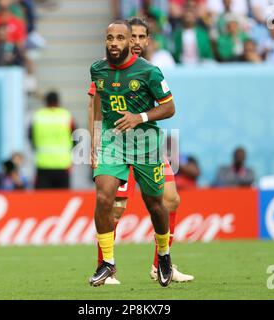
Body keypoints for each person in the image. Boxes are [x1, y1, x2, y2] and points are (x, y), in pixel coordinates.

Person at [88, 17, 194, 285]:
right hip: (114, 142)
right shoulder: (98, 70)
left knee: (160, 203)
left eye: (134, 37)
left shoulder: (150, 72)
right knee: (106, 200)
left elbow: (170, 108)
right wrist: (94, 140)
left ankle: (163, 257)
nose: (128, 42)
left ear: (146, 41)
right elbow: (96, 103)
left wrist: (139, 117)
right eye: (114, 38)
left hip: (147, 143)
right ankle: (107, 264)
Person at [29, 91, 76, 189]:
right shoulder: (66, 116)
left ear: (45, 102)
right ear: (58, 102)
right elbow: (76, 137)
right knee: (62, 200)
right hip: (63, 164)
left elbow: (30, 136)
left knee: (43, 200)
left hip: (43, 164)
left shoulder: (38, 116)